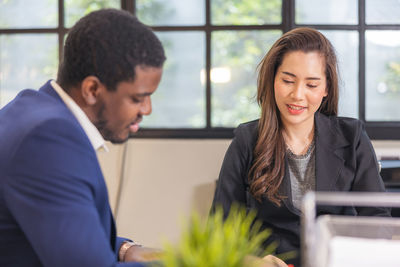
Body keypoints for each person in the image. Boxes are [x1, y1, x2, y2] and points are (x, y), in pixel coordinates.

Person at [212, 27, 390, 267]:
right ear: (273, 79)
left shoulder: (353, 137)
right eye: (287, 80)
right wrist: (252, 261)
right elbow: (221, 228)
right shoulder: (247, 139)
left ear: (326, 88)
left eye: (312, 85)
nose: (297, 95)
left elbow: (377, 221)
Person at [0, 9, 165, 267]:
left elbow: (56, 224)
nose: (147, 110)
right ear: (92, 90)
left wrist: (124, 248)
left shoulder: (30, 108)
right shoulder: (48, 140)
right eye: (138, 98)